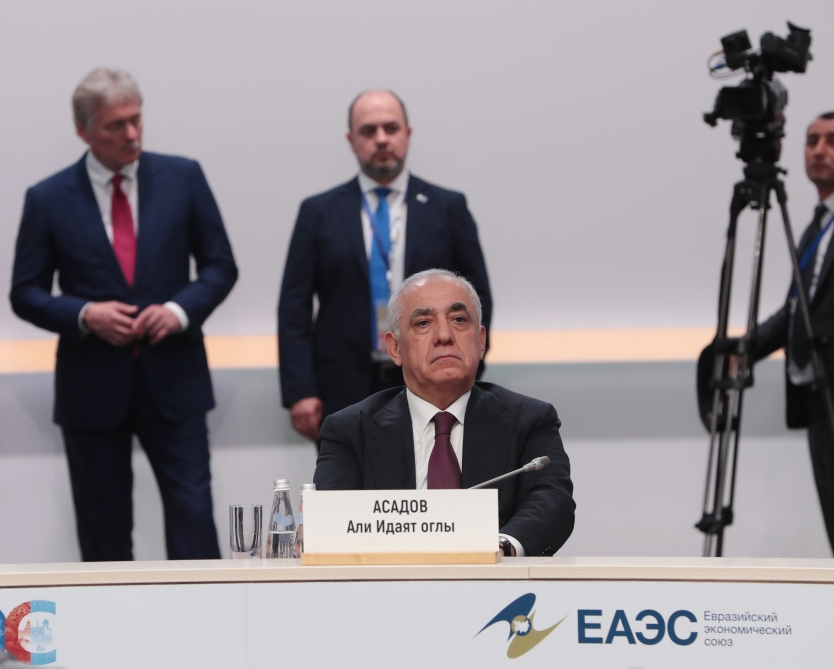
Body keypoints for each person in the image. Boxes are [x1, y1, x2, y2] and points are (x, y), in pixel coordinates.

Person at [9, 69, 238, 561]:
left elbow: (221, 266)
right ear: (84, 130)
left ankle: (203, 612)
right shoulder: (47, 198)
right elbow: (24, 292)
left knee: (194, 521)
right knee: (103, 534)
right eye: (116, 125)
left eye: (136, 120)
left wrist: (178, 311)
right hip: (91, 388)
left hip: (175, 379)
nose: (132, 134)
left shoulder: (183, 177)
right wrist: (85, 314)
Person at [278, 90, 492, 443]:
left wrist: (466, 369)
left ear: (407, 134)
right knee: (350, 477)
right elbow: (293, 308)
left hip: (432, 379)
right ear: (351, 140)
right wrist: (300, 389)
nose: (381, 138)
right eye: (368, 130)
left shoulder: (447, 207)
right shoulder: (318, 212)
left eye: (390, 128)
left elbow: (477, 298)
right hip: (342, 385)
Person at [313, 269, 574, 557]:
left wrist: (502, 547)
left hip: (494, 580)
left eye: (459, 320)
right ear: (395, 348)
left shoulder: (529, 420)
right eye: (423, 323)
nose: (444, 336)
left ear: (481, 341)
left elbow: (552, 501)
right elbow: (332, 522)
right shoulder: (349, 431)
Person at [753, 111, 834, 550]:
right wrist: (744, 347)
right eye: (812, 140)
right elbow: (796, 310)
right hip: (816, 396)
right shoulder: (815, 228)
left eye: (831, 141)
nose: (819, 150)